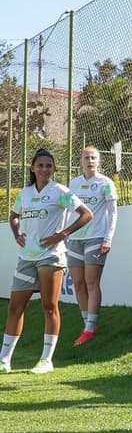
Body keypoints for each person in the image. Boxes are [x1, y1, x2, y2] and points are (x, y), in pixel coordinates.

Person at [1, 149, 93, 374]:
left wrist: (62, 234)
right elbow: (14, 216)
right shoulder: (25, 193)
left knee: (49, 306)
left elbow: (86, 214)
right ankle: (4, 360)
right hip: (26, 257)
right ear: (32, 168)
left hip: (51, 256)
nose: (44, 169)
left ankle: (46, 360)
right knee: (15, 307)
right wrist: (17, 233)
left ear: (53, 169)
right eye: (40, 165)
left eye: (49, 166)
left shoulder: (60, 191)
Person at [68, 146, 118, 346]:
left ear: (99, 161)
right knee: (78, 284)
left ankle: (89, 329)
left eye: (93, 158)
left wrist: (108, 237)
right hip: (75, 240)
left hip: (96, 238)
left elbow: (113, 212)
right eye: (86, 157)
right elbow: (67, 210)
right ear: (81, 160)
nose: (90, 161)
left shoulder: (106, 183)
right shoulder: (74, 183)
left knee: (91, 282)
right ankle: (87, 323)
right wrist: (64, 235)